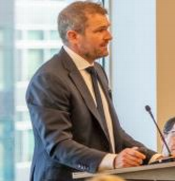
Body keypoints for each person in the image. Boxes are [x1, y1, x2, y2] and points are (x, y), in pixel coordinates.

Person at [26, 1, 158, 181]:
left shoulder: (98, 70)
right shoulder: (49, 78)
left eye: (107, 28)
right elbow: (59, 144)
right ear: (73, 36)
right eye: (100, 30)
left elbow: (113, 132)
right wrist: (113, 161)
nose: (109, 36)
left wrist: (155, 158)